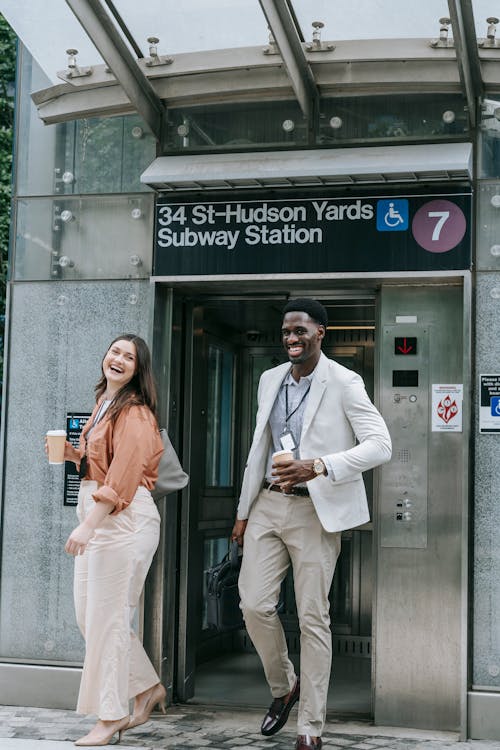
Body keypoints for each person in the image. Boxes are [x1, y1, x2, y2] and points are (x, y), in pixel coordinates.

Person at [231, 299, 392, 750]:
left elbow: (381, 445)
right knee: (254, 605)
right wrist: (243, 514)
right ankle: (285, 685)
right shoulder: (270, 379)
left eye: (300, 330)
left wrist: (319, 465)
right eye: (286, 331)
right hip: (266, 504)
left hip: (314, 510)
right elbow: (258, 448)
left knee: (312, 617)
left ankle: (310, 727)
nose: (291, 338)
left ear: (321, 331)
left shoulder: (344, 381)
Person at [51, 335, 166, 747]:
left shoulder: (134, 412)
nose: (118, 359)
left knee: (110, 619)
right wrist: (71, 454)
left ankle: (111, 715)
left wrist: (89, 525)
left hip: (123, 519)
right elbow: (100, 462)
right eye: (115, 351)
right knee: (91, 617)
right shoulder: (104, 403)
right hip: (102, 516)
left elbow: (124, 474)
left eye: (129, 357)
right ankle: (147, 686)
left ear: (139, 369)